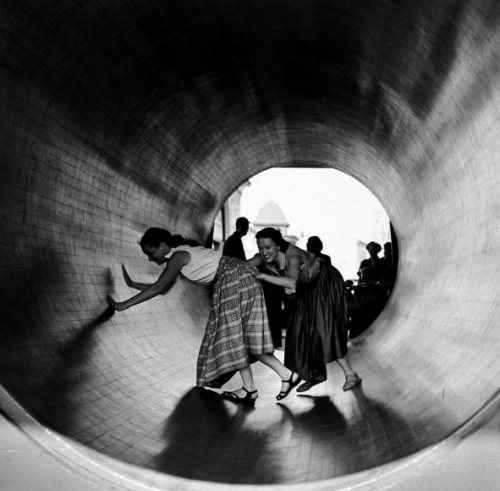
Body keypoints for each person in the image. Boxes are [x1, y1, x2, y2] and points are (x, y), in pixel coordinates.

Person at [107, 227, 299, 405]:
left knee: (233, 337)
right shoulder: (180, 254)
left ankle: (280, 377)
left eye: (151, 253)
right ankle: (258, 386)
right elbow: (163, 288)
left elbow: (158, 288)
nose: (150, 258)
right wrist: (133, 285)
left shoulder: (178, 256)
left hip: (232, 280)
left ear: (163, 246)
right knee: (235, 338)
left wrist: (124, 304)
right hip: (237, 277)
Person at [248, 227, 361, 393]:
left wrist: (264, 276)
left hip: (325, 282)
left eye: (268, 247)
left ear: (278, 245)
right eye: (260, 248)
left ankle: (351, 375)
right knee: (299, 328)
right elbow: (247, 264)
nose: (264, 252)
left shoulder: (292, 256)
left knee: (324, 329)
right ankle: (314, 374)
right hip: (307, 287)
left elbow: (291, 283)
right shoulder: (265, 256)